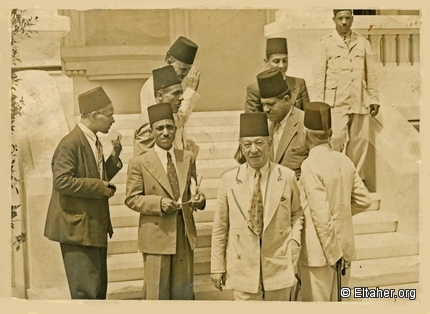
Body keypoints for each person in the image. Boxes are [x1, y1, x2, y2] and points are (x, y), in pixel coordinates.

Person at [210, 112, 304, 301]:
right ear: (241, 147)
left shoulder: (286, 176)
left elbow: (297, 213)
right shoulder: (229, 180)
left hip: (278, 267)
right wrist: (217, 266)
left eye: (259, 143)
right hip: (243, 269)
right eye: (247, 144)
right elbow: (220, 227)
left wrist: (294, 243)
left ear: (269, 144)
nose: (253, 150)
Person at [44, 86, 123, 299]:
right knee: (85, 294)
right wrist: (99, 187)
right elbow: (62, 181)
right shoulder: (70, 144)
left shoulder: (92, 140)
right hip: (77, 231)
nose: (113, 120)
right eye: (110, 115)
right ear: (94, 115)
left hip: (92, 227)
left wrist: (113, 160)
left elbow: (93, 174)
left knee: (97, 292)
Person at [125, 103, 206, 300]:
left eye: (170, 127)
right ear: (151, 132)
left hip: (183, 234)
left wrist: (199, 199)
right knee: (157, 294)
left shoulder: (187, 157)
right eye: (159, 128)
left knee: (183, 295)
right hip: (156, 235)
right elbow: (131, 198)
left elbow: (193, 189)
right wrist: (159, 203)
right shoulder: (140, 162)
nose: (165, 132)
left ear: (175, 129)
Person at [298, 101, 372, 301]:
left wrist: (334, 256)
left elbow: (321, 216)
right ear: (330, 135)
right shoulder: (344, 160)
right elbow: (365, 200)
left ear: (305, 135)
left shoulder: (309, 165)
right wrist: (342, 211)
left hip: (321, 256)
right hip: (344, 251)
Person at [312, 9, 380, 181]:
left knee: (359, 143)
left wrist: (374, 98)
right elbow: (319, 77)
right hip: (335, 104)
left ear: (352, 19)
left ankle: (355, 184)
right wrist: (320, 107)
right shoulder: (325, 43)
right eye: (340, 18)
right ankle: (332, 181)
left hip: (359, 100)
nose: (344, 22)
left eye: (347, 18)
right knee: (335, 140)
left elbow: (370, 74)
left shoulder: (362, 43)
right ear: (333, 19)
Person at [139, 36, 201, 152]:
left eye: (188, 70)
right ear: (169, 61)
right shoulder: (154, 86)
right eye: (182, 69)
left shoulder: (173, 82)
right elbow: (170, 123)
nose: (185, 75)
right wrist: (191, 91)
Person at [258, 68, 309, 180]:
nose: (266, 109)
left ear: (286, 100)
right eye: (263, 105)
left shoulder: (305, 123)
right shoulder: (266, 126)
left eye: (271, 104)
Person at [134, 65, 189, 156]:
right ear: (160, 96)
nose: (181, 98)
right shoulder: (149, 121)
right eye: (176, 93)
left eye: (181, 93)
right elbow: (145, 164)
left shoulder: (167, 116)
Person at [245, 37, 309, 113]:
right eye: (276, 61)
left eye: (285, 61)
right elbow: (253, 120)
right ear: (266, 62)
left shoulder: (299, 84)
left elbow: (307, 116)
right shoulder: (255, 89)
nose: (281, 65)